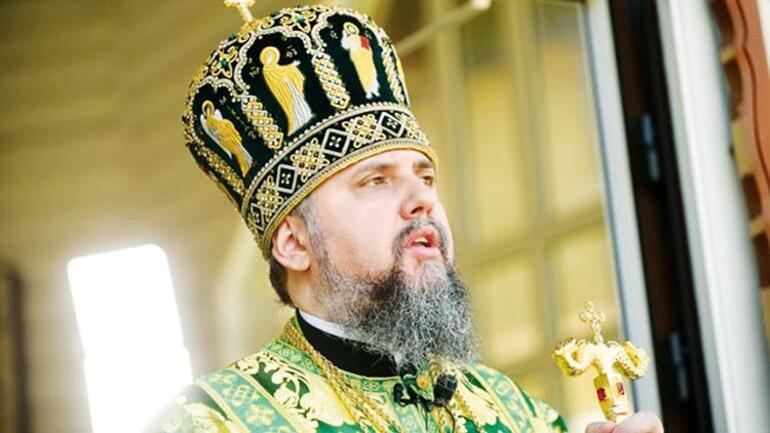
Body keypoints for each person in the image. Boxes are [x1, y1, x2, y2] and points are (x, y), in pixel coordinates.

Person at [148, 3, 664, 433]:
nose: (422, 200)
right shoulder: (215, 421)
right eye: (376, 181)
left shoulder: (516, 412)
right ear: (294, 243)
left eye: (426, 176)